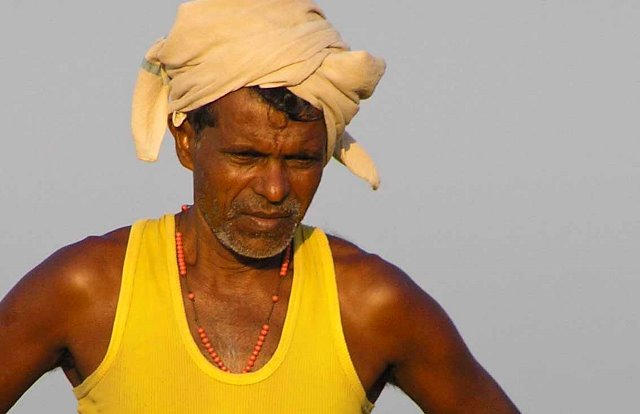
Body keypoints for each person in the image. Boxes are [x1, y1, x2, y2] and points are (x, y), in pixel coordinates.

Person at [0, 1, 520, 413]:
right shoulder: (88, 291)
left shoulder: (372, 305)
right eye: (245, 157)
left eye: (301, 160)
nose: (274, 189)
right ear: (187, 142)